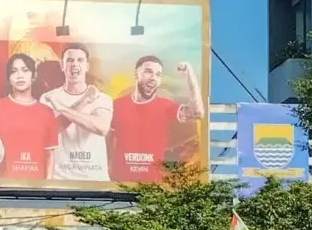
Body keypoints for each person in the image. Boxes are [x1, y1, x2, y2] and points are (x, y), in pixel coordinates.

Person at [108, 55, 205, 184]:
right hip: (118, 184)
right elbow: (107, 141)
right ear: (136, 74)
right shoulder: (116, 105)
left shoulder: (166, 106)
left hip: (153, 187)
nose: (153, 78)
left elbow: (198, 112)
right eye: (148, 72)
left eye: (158, 74)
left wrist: (190, 74)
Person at [40, 43, 113, 181]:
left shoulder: (102, 98)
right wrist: (84, 100)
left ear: (87, 66)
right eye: (69, 60)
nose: (74, 64)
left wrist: (62, 108)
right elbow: (52, 130)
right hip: (61, 179)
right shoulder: (48, 98)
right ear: (62, 66)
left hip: (95, 180)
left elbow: (101, 127)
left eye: (80, 60)